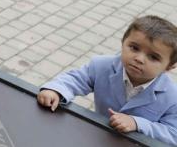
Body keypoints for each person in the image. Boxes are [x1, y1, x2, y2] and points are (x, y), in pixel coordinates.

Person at [37, 15, 177, 144]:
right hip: (99, 137)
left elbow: (173, 134)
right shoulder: (101, 66)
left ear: (169, 66)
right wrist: (56, 90)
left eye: (153, 57)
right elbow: (76, 79)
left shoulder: (172, 97)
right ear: (123, 43)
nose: (139, 59)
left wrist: (138, 124)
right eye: (134, 48)